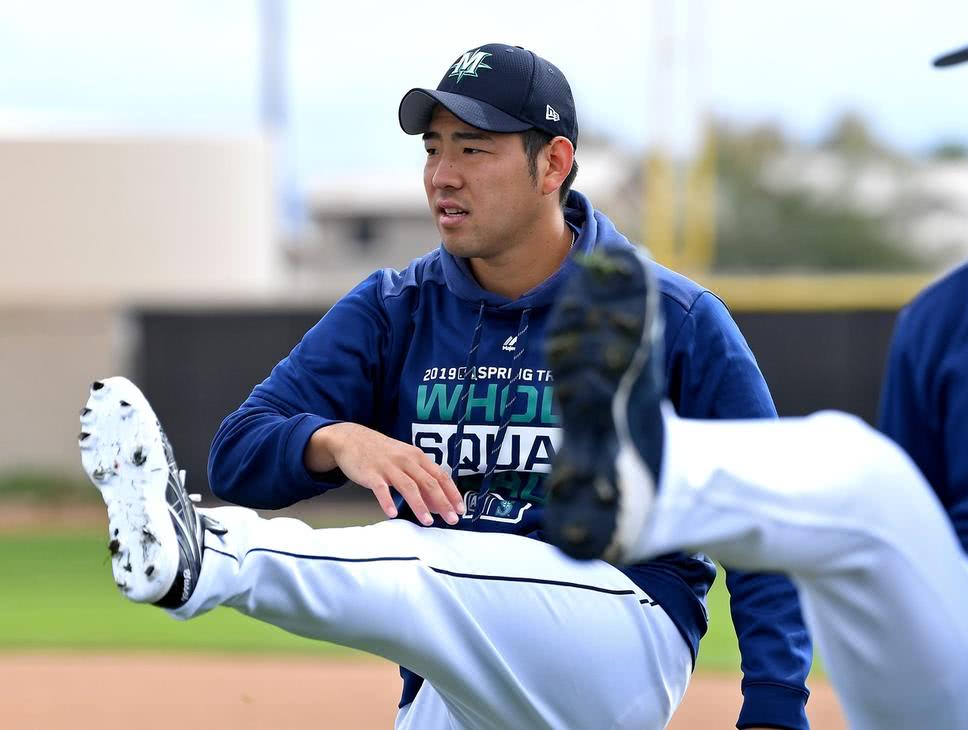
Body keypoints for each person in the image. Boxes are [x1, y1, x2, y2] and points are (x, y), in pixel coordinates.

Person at [79, 43, 812, 730]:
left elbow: (762, 523)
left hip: (621, 630)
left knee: (422, 560)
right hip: (460, 663)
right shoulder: (396, 306)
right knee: (434, 575)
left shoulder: (671, 317)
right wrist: (337, 439)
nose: (442, 175)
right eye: (433, 149)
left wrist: (775, 710)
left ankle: (207, 555)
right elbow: (237, 453)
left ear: (553, 163)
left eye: (473, 148)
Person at [544, 34, 968, 730]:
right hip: (963, 654)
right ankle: (641, 476)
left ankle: (654, 477)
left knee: (861, 475)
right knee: (864, 494)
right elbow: (918, 552)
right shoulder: (943, 320)